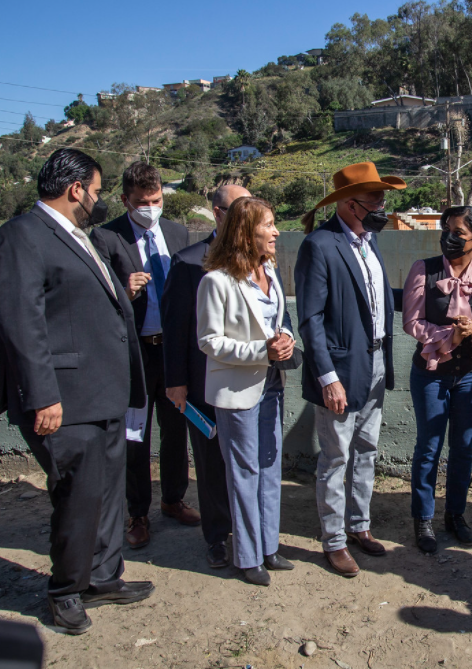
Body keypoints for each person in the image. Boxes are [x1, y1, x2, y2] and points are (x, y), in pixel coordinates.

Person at [0, 148, 151, 634]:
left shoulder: (81, 237)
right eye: (97, 192)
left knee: (107, 493)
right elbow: (21, 322)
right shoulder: (22, 236)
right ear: (76, 189)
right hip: (65, 399)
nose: (98, 201)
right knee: (78, 497)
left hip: (104, 393)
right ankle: (65, 590)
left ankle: (103, 577)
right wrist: (42, 396)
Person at [295, 162, 404, 577]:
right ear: (348, 203)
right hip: (341, 370)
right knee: (336, 457)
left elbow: (373, 300)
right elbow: (310, 319)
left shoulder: (369, 240)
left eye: (382, 196)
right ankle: (334, 541)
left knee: (366, 451)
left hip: (375, 361)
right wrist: (328, 378)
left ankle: (359, 526)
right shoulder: (320, 246)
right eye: (375, 197)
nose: (382, 204)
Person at [91, 162, 197, 549]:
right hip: (134, 354)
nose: (150, 207)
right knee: (134, 434)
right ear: (125, 200)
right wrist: (124, 289)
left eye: (156, 200)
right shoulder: (105, 238)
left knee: (175, 431)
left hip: (172, 352)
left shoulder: (178, 232)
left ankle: (173, 499)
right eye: (142, 202)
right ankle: (137, 512)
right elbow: (92, 299)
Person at [197, 196, 296, 586]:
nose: (275, 232)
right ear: (244, 231)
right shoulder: (216, 282)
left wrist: (285, 337)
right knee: (244, 471)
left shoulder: (270, 271)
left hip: (271, 383)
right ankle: (247, 556)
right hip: (238, 390)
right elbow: (208, 340)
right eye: (268, 225)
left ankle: (269, 547)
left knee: (271, 467)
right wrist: (261, 351)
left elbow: (279, 320)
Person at [402, 205, 472, 554]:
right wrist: (451, 337)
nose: (448, 238)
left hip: (471, 375)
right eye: (445, 229)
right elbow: (412, 321)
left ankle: (456, 514)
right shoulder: (424, 268)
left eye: (457, 233)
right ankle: (423, 519)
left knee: (463, 449)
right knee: (428, 448)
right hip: (431, 375)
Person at [162, 184, 250, 568]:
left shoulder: (258, 256)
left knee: (248, 464)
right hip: (203, 385)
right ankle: (217, 537)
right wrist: (176, 382)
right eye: (238, 209)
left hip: (250, 382)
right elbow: (175, 327)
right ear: (217, 213)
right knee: (212, 466)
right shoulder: (188, 262)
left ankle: (249, 535)